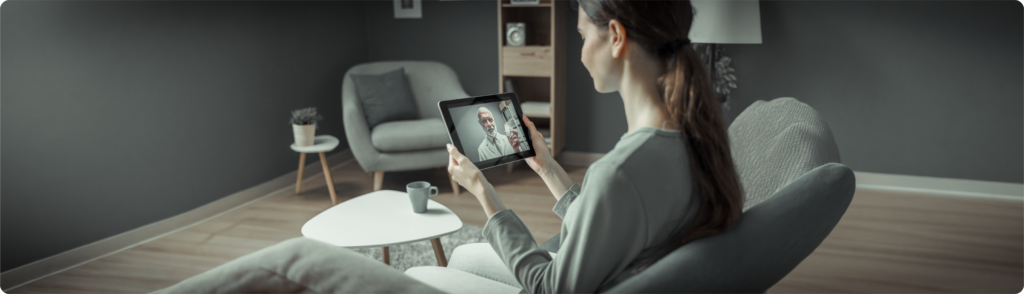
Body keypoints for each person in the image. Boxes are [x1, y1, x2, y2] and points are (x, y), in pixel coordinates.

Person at [445, 0, 744, 293]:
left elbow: (550, 287)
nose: (581, 53)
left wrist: (482, 191)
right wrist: (547, 167)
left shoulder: (618, 171)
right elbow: (609, 217)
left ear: (615, 36)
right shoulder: (697, 139)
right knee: (462, 257)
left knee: (424, 274)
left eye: (583, 36)